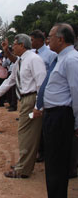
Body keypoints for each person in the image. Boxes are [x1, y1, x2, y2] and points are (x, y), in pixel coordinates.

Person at [0, 34, 46, 178]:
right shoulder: (20, 61)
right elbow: (10, 81)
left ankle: (23, 169)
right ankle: (24, 164)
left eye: (15, 44)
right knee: (25, 133)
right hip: (25, 101)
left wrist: (39, 105)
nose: (13, 47)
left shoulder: (34, 60)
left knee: (27, 134)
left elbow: (42, 83)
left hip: (32, 101)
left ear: (22, 45)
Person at [33, 23, 78, 198]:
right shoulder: (60, 58)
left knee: (58, 164)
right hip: (52, 116)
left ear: (60, 39)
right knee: (52, 163)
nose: (47, 40)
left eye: (50, 37)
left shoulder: (72, 60)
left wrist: (76, 123)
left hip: (61, 117)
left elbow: (76, 92)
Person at [30, 29, 57, 163]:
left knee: (44, 123)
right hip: (34, 92)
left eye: (32, 40)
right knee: (37, 123)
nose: (31, 42)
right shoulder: (31, 54)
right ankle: (40, 150)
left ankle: (45, 152)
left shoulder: (51, 55)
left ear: (40, 40)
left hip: (46, 92)